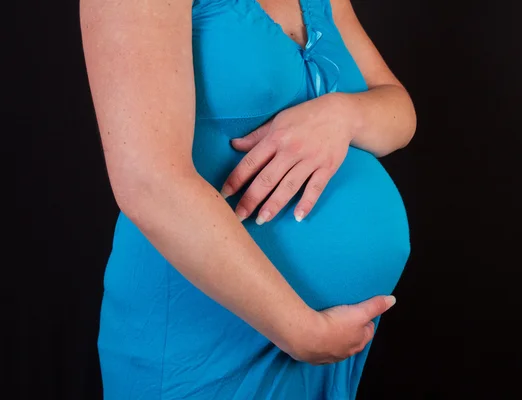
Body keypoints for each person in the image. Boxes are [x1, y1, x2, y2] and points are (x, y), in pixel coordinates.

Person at [80, 0, 416, 398]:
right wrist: (301, 331)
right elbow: (149, 183)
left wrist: (342, 114)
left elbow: (399, 110)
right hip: (203, 340)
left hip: (324, 349)